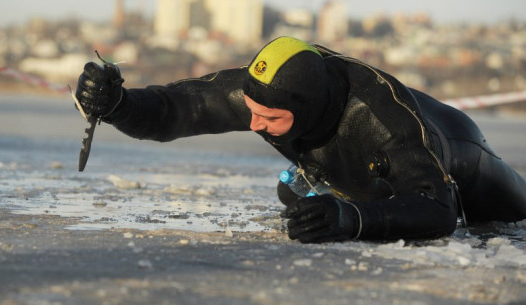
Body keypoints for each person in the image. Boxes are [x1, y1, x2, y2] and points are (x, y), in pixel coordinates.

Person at [75, 36, 526, 243]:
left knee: (516, 215)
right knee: (292, 194)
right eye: (251, 112)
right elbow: (178, 109)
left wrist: (352, 220)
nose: (253, 126)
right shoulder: (263, 92)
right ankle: (326, 184)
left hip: (460, 158)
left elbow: (437, 207)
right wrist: (118, 104)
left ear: (307, 109)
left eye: (269, 118)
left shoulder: (384, 119)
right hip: (347, 168)